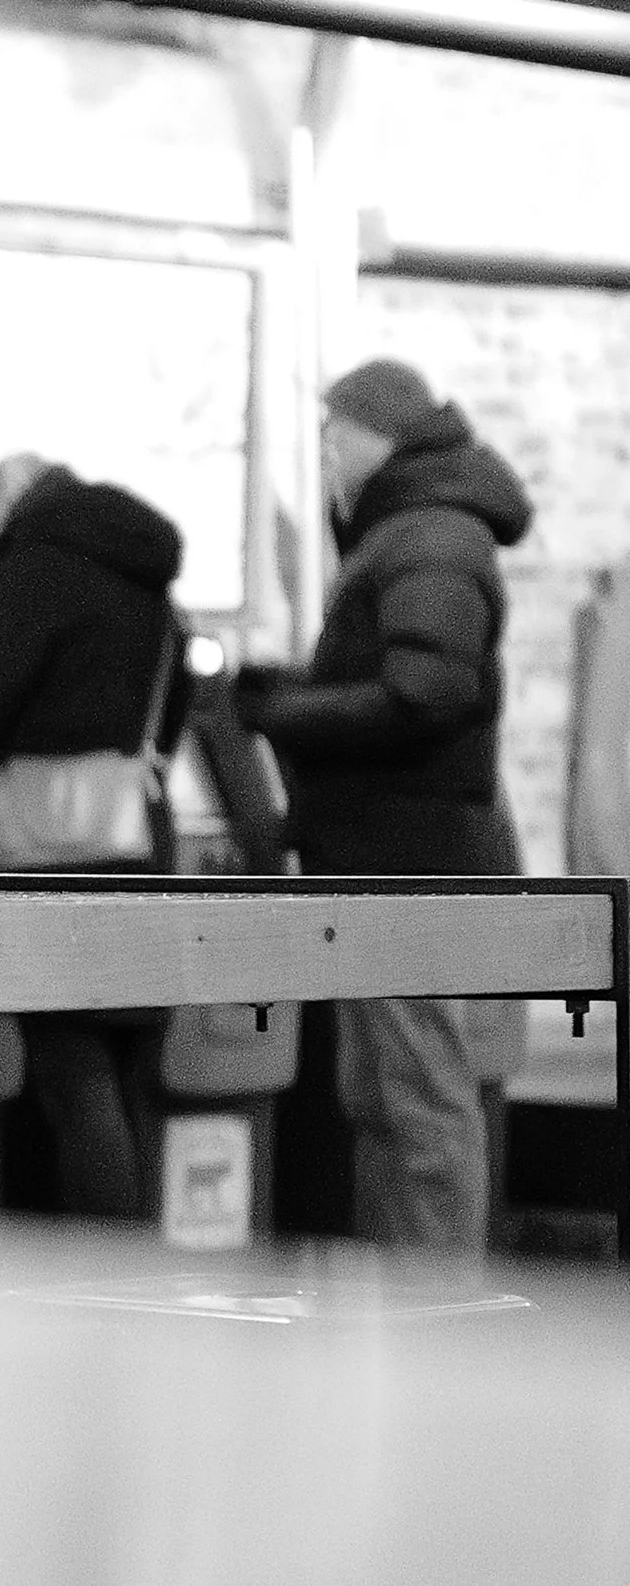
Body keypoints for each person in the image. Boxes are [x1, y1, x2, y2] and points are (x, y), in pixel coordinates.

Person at [235, 358, 531, 1251]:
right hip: (385, 860)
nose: (324, 451)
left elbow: (427, 692)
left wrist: (283, 712)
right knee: (383, 1098)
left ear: (382, 433)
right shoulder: (411, 532)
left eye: (335, 433)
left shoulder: (432, 537)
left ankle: (431, 1322)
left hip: (411, 866)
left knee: (420, 1102)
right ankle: (395, 1314)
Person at [0, 453, 191, 1219]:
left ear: (12, 508)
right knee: (127, 1066)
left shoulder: (40, 570)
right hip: (142, 842)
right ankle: (135, 1265)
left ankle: (108, 1282)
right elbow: (183, 696)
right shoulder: (146, 574)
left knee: (70, 1067)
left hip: (52, 855)